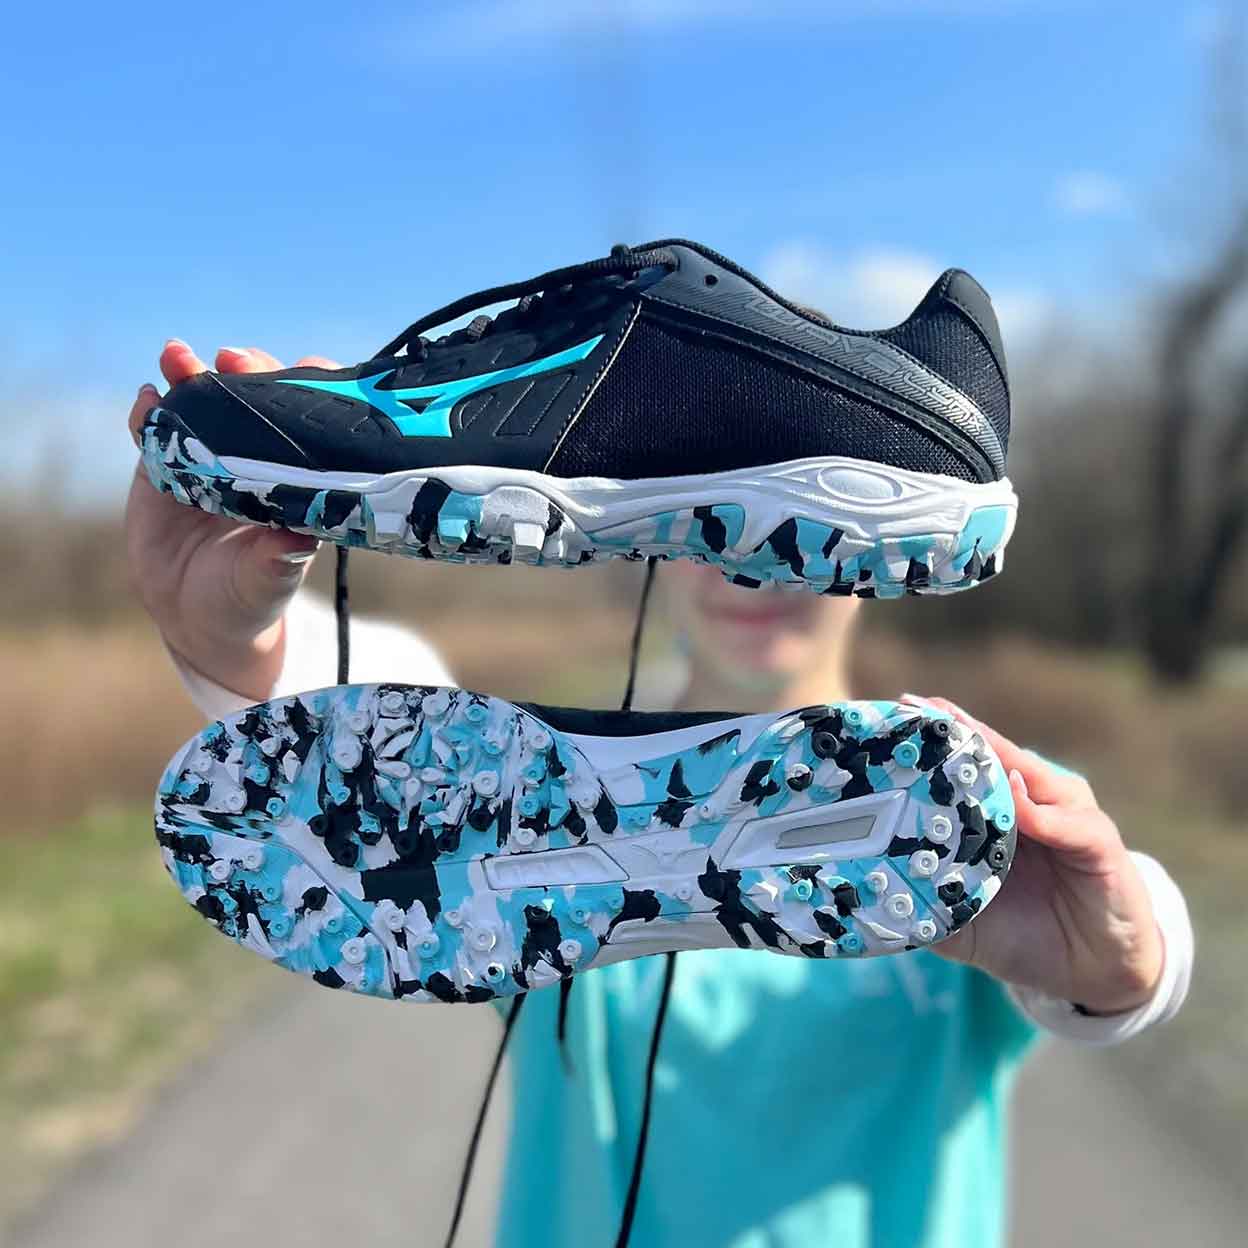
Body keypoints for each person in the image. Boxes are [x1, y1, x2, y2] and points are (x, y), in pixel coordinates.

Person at [127, 341, 1193, 1248]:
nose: (751, 573)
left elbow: (1128, 946)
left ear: (876, 557)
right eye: (720, 527)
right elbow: (374, 788)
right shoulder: (514, 802)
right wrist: (237, 641)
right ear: (655, 541)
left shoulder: (965, 824)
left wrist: (1124, 961)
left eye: (793, 531)